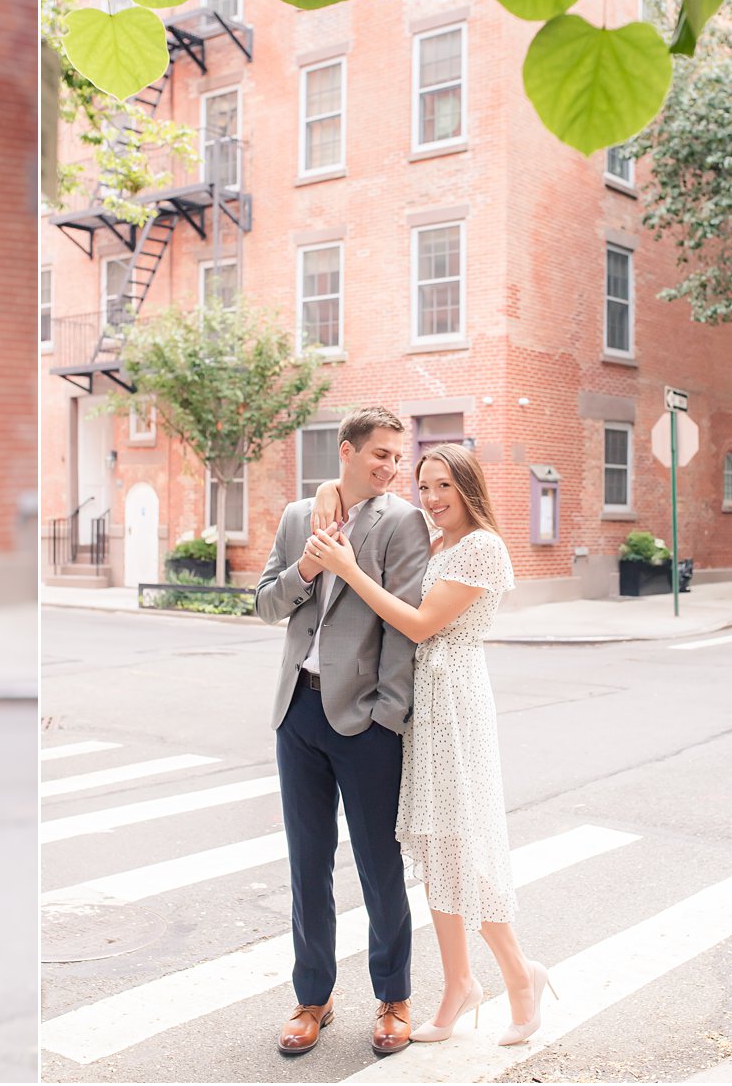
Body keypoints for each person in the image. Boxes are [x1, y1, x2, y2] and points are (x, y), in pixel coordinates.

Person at [308, 442, 556, 1047]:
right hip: (423, 705)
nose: (433, 498)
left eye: (444, 486)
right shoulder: (434, 539)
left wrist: (348, 570)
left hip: (456, 703)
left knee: (465, 844)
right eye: (425, 487)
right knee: (436, 846)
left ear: (468, 488)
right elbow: (356, 494)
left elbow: (419, 624)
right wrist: (321, 492)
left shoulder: (482, 548)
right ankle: (459, 984)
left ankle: (521, 976)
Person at [254, 406, 431, 1057]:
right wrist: (305, 566)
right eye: (379, 453)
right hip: (296, 711)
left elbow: (405, 623)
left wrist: (388, 714)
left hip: (364, 718)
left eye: (396, 454)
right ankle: (314, 996)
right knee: (307, 863)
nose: (390, 466)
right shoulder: (302, 516)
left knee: (378, 865)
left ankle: (393, 995)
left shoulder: (403, 522)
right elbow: (265, 601)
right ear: (347, 451)